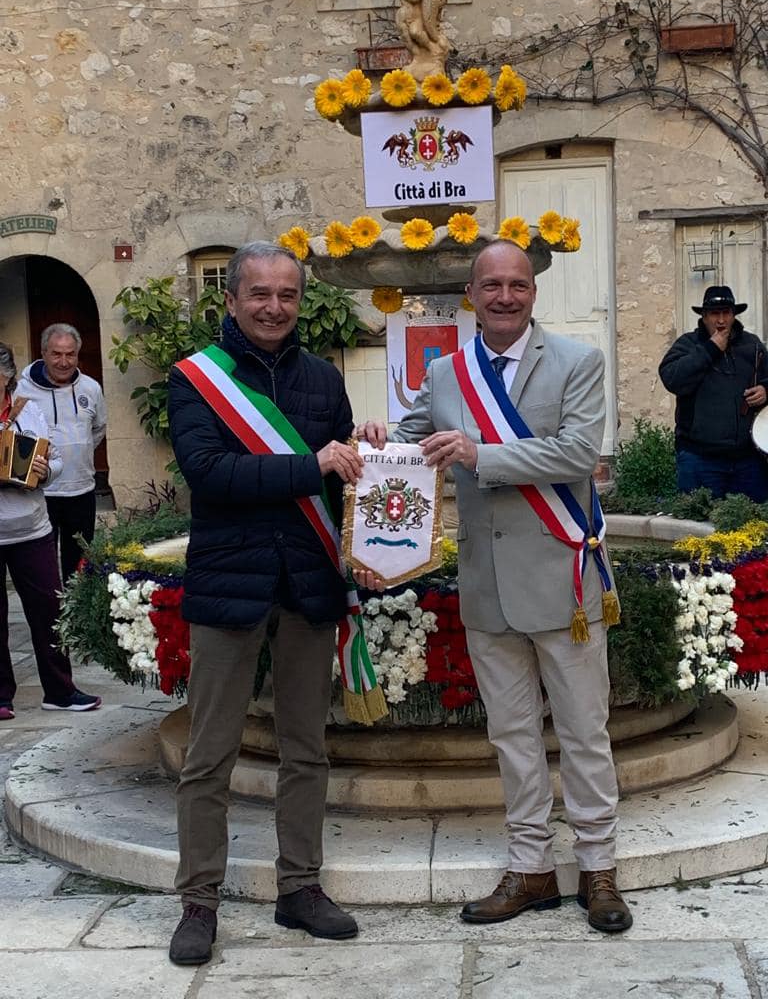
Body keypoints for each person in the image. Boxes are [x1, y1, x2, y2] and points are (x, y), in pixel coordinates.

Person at [357, 240, 633, 933]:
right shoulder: (447, 371)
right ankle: (531, 867)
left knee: (583, 732)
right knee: (511, 736)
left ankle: (599, 867)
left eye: (517, 284)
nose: (505, 295)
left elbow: (578, 452)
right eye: (492, 285)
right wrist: (371, 439)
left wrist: (483, 454)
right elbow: (409, 441)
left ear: (532, 292)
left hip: (564, 575)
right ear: (473, 294)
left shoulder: (577, 362)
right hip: (487, 584)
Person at [166, 241, 369, 967]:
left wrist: (367, 454)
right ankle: (198, 901)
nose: (274, 307)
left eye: (286, 294)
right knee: (209, 755)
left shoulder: (321, 378)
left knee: (306, 750)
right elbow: (209, 472)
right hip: (230, 585)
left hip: (308, 584)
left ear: (299, 300)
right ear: (232, 299)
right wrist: (310, 464)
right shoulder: (196, 379)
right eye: (259, 293)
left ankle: (300, 887)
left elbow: (341, 484)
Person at [0, 343, 101, 721]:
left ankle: (59, 690)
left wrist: (45, 471)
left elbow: (56, 460)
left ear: (9, 380)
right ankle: (0, 696)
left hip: (31, 528)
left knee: (49, 611)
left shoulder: (30, 412)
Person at [658, 285, 768, 502]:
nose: (721, 320)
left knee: (753, 526)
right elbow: (672, 378)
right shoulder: (688, 344)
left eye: (726, 313)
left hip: (748, 461)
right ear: (704, 316)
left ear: (733, 315)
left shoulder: (752, 345)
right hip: (699, 459)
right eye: (715, 314)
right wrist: (711, 348)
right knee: (697, 527)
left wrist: (766, 389)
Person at [19, 323, 107, 584]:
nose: (64, 361)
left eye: (70, 354)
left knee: (79, 566)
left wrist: (76, 450)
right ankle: (49, 620)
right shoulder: (22, 392)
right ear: (44, 353)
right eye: (57, 354)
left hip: (81, 490)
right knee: (41, 567)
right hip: (40, 493)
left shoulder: (91, 388)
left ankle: (76, 619)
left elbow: (98, 429)